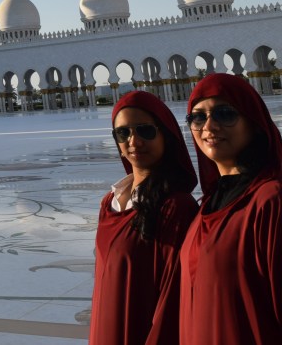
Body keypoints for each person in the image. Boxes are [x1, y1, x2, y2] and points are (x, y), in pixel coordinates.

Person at [179, 73, 282, 343]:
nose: (209, 127)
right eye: (198, 117)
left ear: (254, 123)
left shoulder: (270, 201)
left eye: (225, 114)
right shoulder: (209, 202)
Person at [90, 91, 197, 345]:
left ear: (166, 136)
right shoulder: (110, 202)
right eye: (123, 133)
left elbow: (173, 300)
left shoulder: (175, 207)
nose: (134, 141)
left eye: (145, 131)